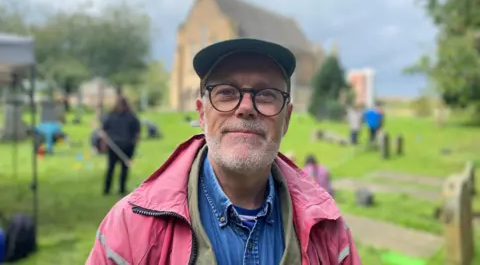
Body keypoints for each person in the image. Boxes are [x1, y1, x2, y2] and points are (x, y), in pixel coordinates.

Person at [87, 38, 361, 264]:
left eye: (265, 94)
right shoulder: (130, 229)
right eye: (226, 92)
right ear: (201, 113)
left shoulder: (329, 230)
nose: (245, 107)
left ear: (286, 118)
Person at [100, 96, 140, 196]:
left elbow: (136, 133)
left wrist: (134, 144)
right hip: (113, 145)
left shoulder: (131, 117)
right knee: (111, 168)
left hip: (127, 146)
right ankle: (107, 189)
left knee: (124, 168)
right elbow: (104, 131)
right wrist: (104, 143)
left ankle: (122, 189)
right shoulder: (111, 116)